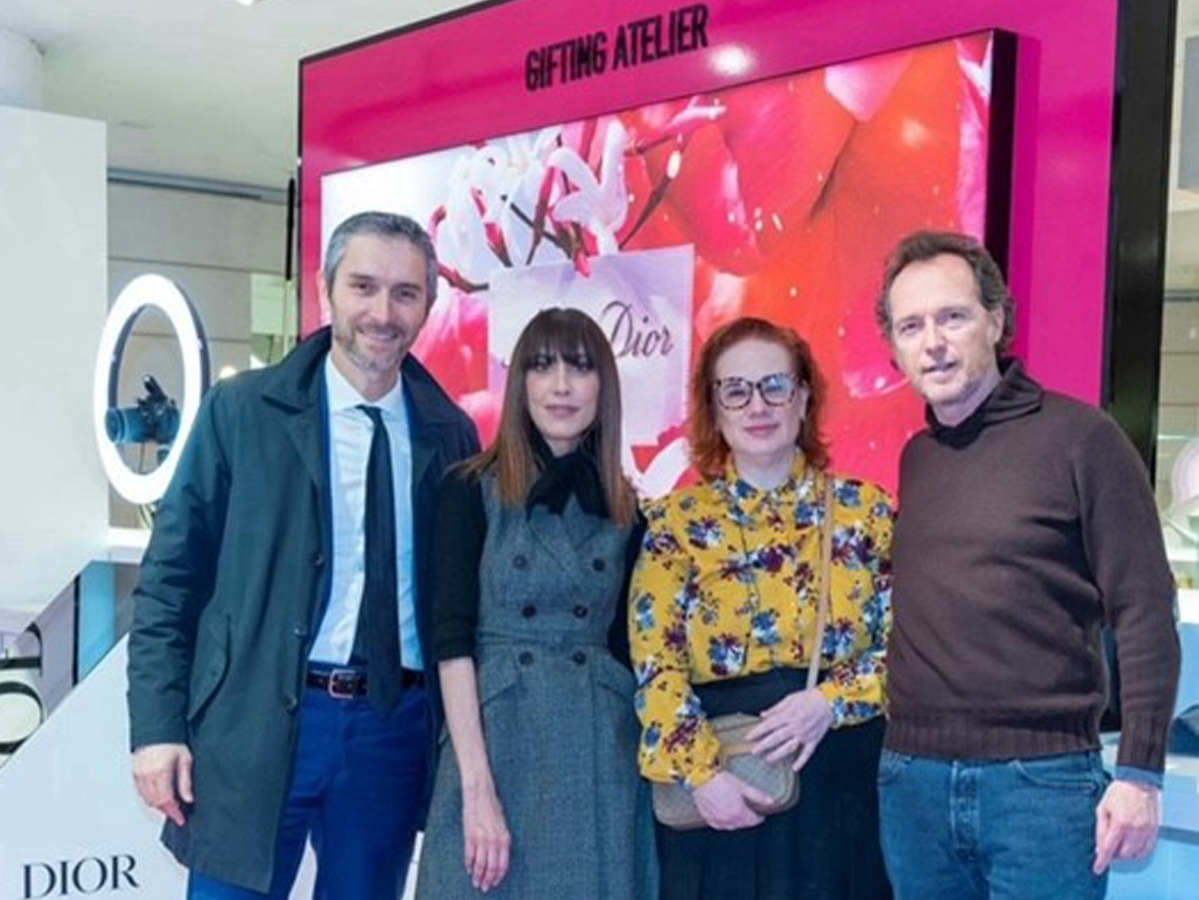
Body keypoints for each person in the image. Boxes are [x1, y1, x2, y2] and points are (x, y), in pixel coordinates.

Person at [126, 211, 480, 899]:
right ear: (326, 290)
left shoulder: (452, 436)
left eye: (405, 293)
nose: (382, 313)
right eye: (363, 287)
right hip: (253, 722)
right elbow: (171, 581)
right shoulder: (241, 413)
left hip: (391, 732)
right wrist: (156, 729)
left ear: (429, 305)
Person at [875, 230, 1181, 900]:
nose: (933, 342)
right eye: (911, 325)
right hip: (912, 781)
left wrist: (1140, 772)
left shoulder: (1083, 439)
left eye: (953, 317)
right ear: (894, 346)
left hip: (1042, 785)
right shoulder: (917, 458)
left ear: (995, 320)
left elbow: (1144, 608)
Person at [630, 316, 894, 900]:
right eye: (736, 390)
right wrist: (701, 776)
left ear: (803, 397)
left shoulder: (866, 512)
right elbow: (655, 664)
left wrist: (829, 702)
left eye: (775, 385)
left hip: (839, 777)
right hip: (723, 780)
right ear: (713, 407)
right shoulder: (675, 522)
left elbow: (906, 649)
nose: (758, 405)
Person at [414, 307, 658, 900]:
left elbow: (633, 648)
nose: (561, 385)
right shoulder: (469, 489)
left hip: (598, 748)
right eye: (543, 366)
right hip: (496, 740)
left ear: (604, 387)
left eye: (580, 367)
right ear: (520, 382)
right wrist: (477, 789)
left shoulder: (630, 511)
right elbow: (451, 643)